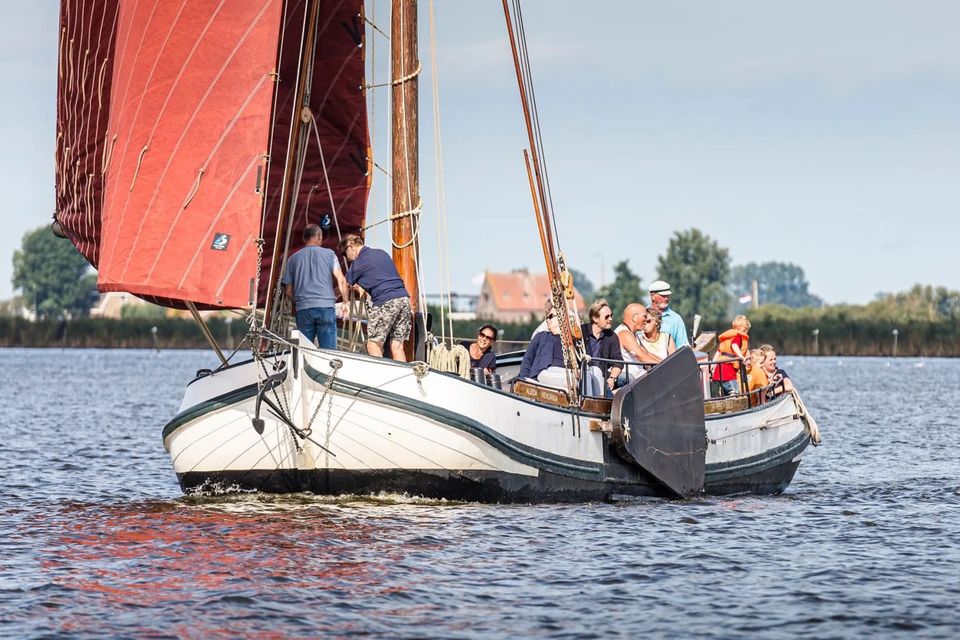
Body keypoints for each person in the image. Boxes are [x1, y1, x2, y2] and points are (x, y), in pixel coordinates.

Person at [340, 234, 412, 361]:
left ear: (350, 246)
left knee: (373, 345)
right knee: (397, 347)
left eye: (345, 254)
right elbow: (379, 275)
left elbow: (344, 283)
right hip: (404, 300)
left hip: (386, 301)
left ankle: (381, 374)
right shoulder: (381, 253)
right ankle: (402, 373)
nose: (348, 258)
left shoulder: (358, 263)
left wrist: (344, 302)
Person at [281, 224, 349, 349]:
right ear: (318, 236)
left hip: (304, 309)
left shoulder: (293, 259)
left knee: (304, 351)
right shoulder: (330, 255)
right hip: (326, 308)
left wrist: (299, 301)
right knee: (329, 353)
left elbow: (288, 290)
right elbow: (341, 280)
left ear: (304, 238)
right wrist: (345, 302)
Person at [581, 299, 623, 397]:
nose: (610, 319)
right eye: (607, 317)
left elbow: (618, 361)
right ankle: (606, 398)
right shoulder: (581, 332)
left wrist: (612, 378)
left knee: (628, 378)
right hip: (584, 373)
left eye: (611, 315)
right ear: (595, 318)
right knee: (594, 372)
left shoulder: (612, 336)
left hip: (604, 376)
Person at [517, 309, 568, 389]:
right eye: (546, 318)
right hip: (546, 372)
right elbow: (527, 360)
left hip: (566, 373)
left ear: (561, 318)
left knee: (587, 375)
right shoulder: (541, 337)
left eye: (550, 316)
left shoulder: (571, 341)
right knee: (571, 380)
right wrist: (524, 380)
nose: (547, 320)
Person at [614, 303, 661, 383]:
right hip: (630, 377)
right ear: (634, 318)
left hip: (639, 375)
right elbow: (641, 356)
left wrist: (666, 362)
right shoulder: (624, 333)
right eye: (644, 316)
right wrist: (665, 365)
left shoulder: (634, 334)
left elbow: (646, 353)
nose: (646, 320)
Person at [712, 315, 751, 396]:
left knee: (726, 393)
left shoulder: (727, 338)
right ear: (744, 329)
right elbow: (734, 345)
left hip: (718, 371)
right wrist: (741, 356)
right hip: (727, 371)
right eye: (747, 330)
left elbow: (718, 352)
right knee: (734, 391)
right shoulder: (738, 337)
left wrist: (713, 364)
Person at [649, 280, 689, 349]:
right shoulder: (643, 315)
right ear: (652, 296)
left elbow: (682, 347)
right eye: (663, 296)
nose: (666, 299)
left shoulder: (676, 319)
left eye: (667, 296)